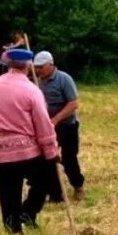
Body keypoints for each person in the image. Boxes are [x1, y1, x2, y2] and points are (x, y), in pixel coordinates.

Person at [0, 48, 59, 234]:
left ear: (9, 64)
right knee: (45, 179)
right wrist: (51, 152)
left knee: (7, 192)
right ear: (28, 66)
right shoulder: (32, 91)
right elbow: (43, 124)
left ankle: (13, 229)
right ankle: (27, 212)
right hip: (25, 151)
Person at [34, 51, 85, 202]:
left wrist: (56, 119)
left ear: (51, 65)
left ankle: (78, 185)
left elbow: (73, 104)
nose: (38, 70)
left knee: (69, 159)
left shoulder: (64, 79)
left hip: (67, 126)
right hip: (47, 128)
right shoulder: (38, 82)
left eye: (41, 67)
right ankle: (56, 194)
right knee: (47, 159)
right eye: (36, 67)